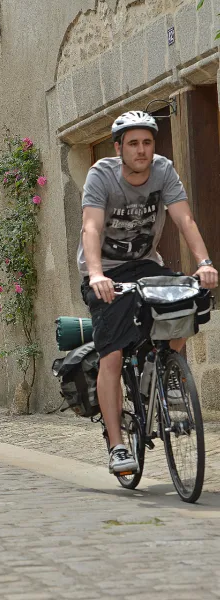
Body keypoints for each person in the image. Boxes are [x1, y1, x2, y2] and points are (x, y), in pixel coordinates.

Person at [78, 110, 218, 474]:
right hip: (107, 272)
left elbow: (184, 219)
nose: (142, 150)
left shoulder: (163, 170)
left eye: (147, 142)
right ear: (119, 147)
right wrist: (95, 274)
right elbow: (91, 228)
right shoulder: (101, 176)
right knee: (111, 355)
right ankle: (118, 445)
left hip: (144, 263)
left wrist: (203, 262)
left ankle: (170, 379)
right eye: (133, 143)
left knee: (181, 307)